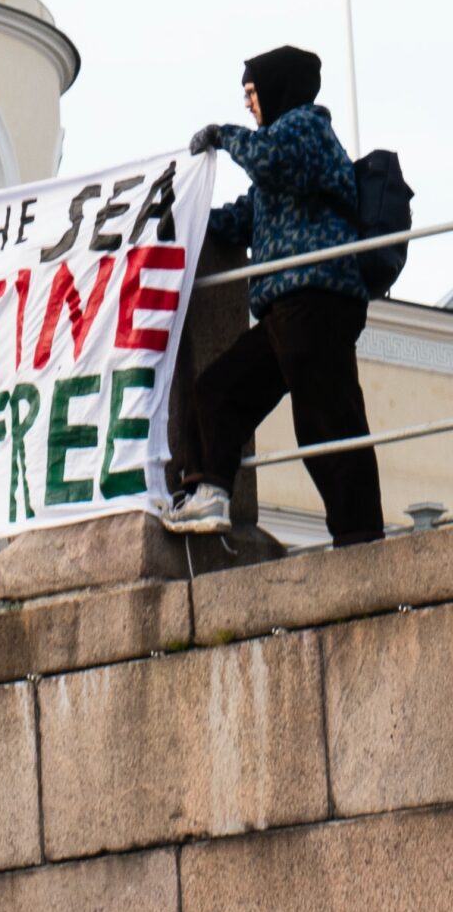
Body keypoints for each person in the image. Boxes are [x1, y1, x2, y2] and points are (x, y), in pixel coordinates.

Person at [166, 46, 381, 545]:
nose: (247, 103)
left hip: (315, 300)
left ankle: (361, 540)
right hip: (287, 309)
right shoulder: (282, 153)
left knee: (327, 424)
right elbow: (238, 219)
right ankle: (211, 492)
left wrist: (223, 136)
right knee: (219, 390)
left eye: (251, 92)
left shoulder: (305, 127)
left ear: (278, 87)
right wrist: (180, 221)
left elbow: (266, 159)